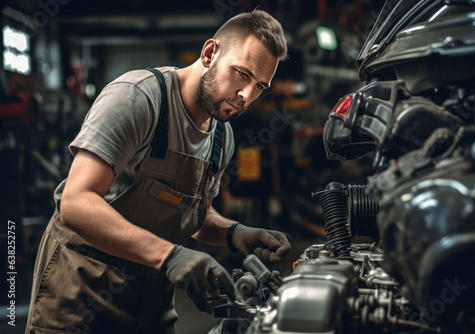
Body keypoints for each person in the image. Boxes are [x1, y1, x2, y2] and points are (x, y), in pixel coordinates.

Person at [25, 9, 291, 334]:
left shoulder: (222, 136)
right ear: (210, 53)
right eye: (242, 74)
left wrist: (234, 232)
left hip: (152, 301)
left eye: (260, 86)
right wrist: (170, 256)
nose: (247, 96)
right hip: (82, 295)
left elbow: (192, 215)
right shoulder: (139, 98)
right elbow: (76, 202)